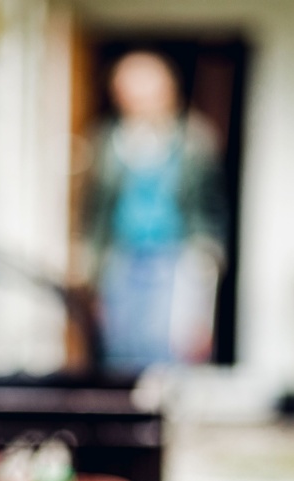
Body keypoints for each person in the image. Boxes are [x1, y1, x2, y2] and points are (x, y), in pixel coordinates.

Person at [80, 51, 227, 373]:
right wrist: (90, 265)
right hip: (121, 258)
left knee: (170, 346)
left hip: (174, 258)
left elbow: (210, 205)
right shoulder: (108, 142)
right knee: (121, 345)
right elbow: (96, 212)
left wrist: (207, 259)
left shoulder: (194, 141)